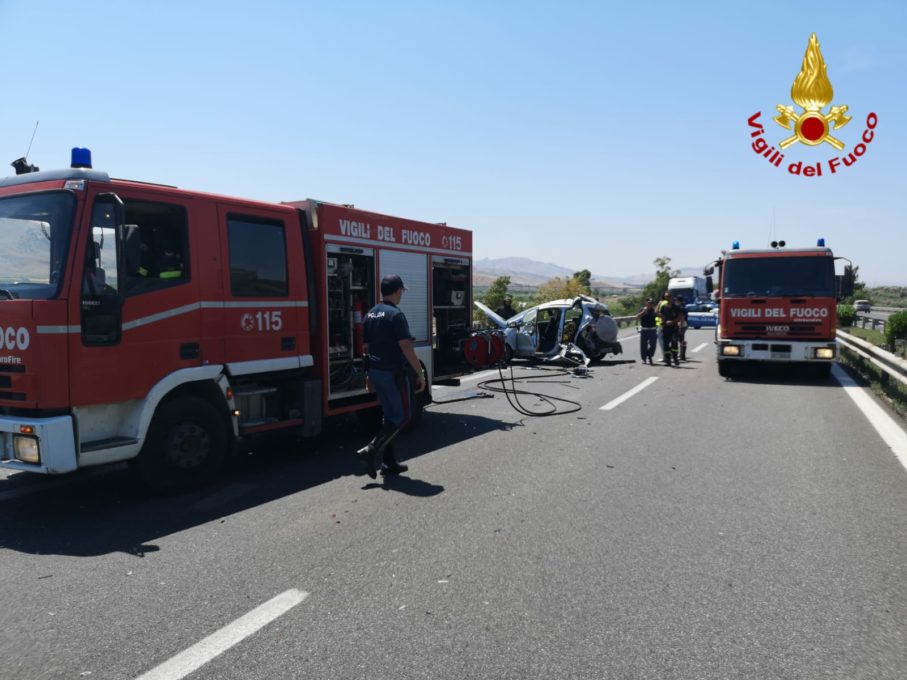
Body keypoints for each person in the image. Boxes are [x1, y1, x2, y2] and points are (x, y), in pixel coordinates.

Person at [356, 274, 426, 479]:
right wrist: (419, 373)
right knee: (403, 416)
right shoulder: (395, 315)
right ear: (397, 291)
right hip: (392, 373)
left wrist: (368, 375)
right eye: (402, 292)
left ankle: (389, 462)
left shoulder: (370, 314)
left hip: (377, 372)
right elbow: (405, 346)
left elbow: (366, 348)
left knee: (389, 416)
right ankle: (370, 451)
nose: (401, 295)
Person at [658, 294, 681, 366]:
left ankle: (675, 358)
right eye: (666, 297)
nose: (667, 298)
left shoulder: (676, 307)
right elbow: (662, 316)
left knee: (674, 343)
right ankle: (668, 360)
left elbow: (679, 318)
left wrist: (672, 322)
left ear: (671, 297)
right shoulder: (663, 307)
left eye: (669, 296)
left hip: (674, 328)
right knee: (666, 345)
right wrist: (663, 322)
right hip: (665, 328)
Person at [635, 298, 658, 364]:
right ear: (646, 303)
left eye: (651, 303)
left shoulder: (654, 310)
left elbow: (658, 318)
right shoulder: (642, 309)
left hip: (653, 330)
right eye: (649, 303)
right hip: (644, 330)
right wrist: (643, 311)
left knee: (653, 345)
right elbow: (637, 317)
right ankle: (644, 359)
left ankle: (650, 355)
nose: (650, 304)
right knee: (643, 345)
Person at [674, 295, 689, 361]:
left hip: (681, 324)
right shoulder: (683, 306)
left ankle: (682, 355)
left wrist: (680, 327)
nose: (675, 301)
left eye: (676, 300)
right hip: (684, 324)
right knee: (681, 340)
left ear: (678, 300)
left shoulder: (680, 307)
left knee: (681, 340)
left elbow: (682, 317)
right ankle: (682, 355)